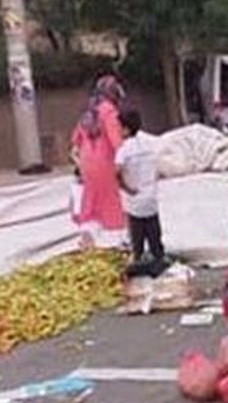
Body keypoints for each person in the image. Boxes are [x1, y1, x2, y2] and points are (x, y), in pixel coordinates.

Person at [70, 74, 127, 248]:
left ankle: (87, 238)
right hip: (104, 162)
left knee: (91, 201)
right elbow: (116, 142)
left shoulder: (89, 112)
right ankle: (116, 242)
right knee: (110, 202)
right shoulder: (109, 111)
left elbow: (75, 142)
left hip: (87, 163)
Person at [114, 109, 164, 265]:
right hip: (151, 199)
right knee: (155, 238)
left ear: (126, 129)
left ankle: (139, 265)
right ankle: (159, 262)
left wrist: (127, 188)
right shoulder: (149, 144)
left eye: (119, 127)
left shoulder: (124, 150)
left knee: (137, 241)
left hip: (134, 202)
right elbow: (158, 169)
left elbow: (116, 173)